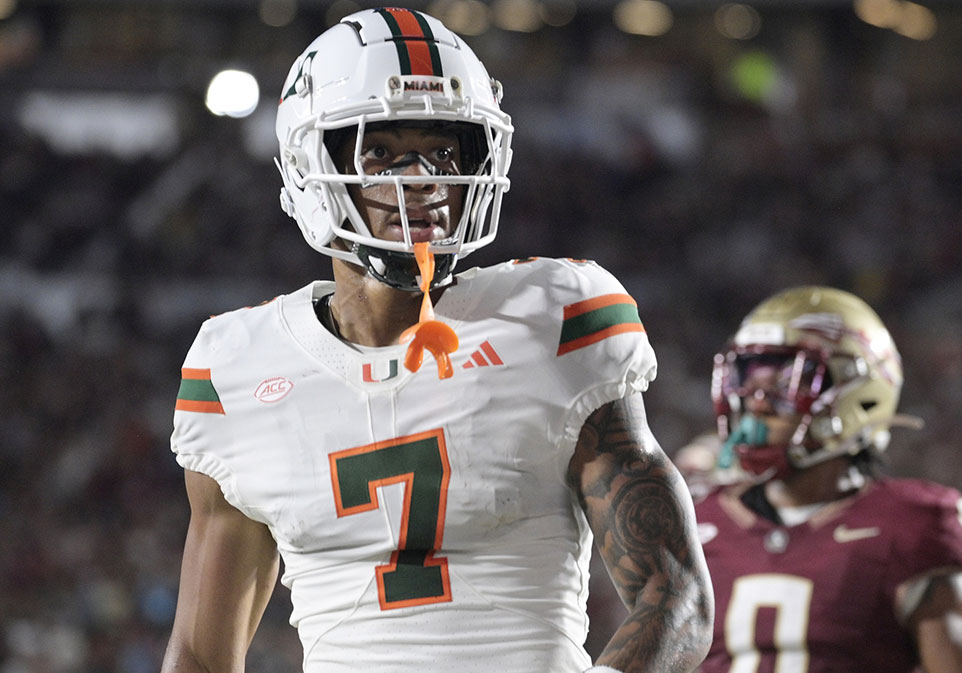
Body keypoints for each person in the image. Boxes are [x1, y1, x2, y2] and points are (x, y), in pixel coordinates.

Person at [160, 8, 712, 673]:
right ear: (309, 165)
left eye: (444, 152)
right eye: (380, 151)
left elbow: (674, 594)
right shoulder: (236, 368)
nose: (423, 177)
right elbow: (201, 654)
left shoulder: (552, 316)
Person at [689, 285, 962, 673]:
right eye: (749, 378)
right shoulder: (697, 521)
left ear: (858, 394)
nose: (756, 403)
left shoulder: (908, 523)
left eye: (785, 382)